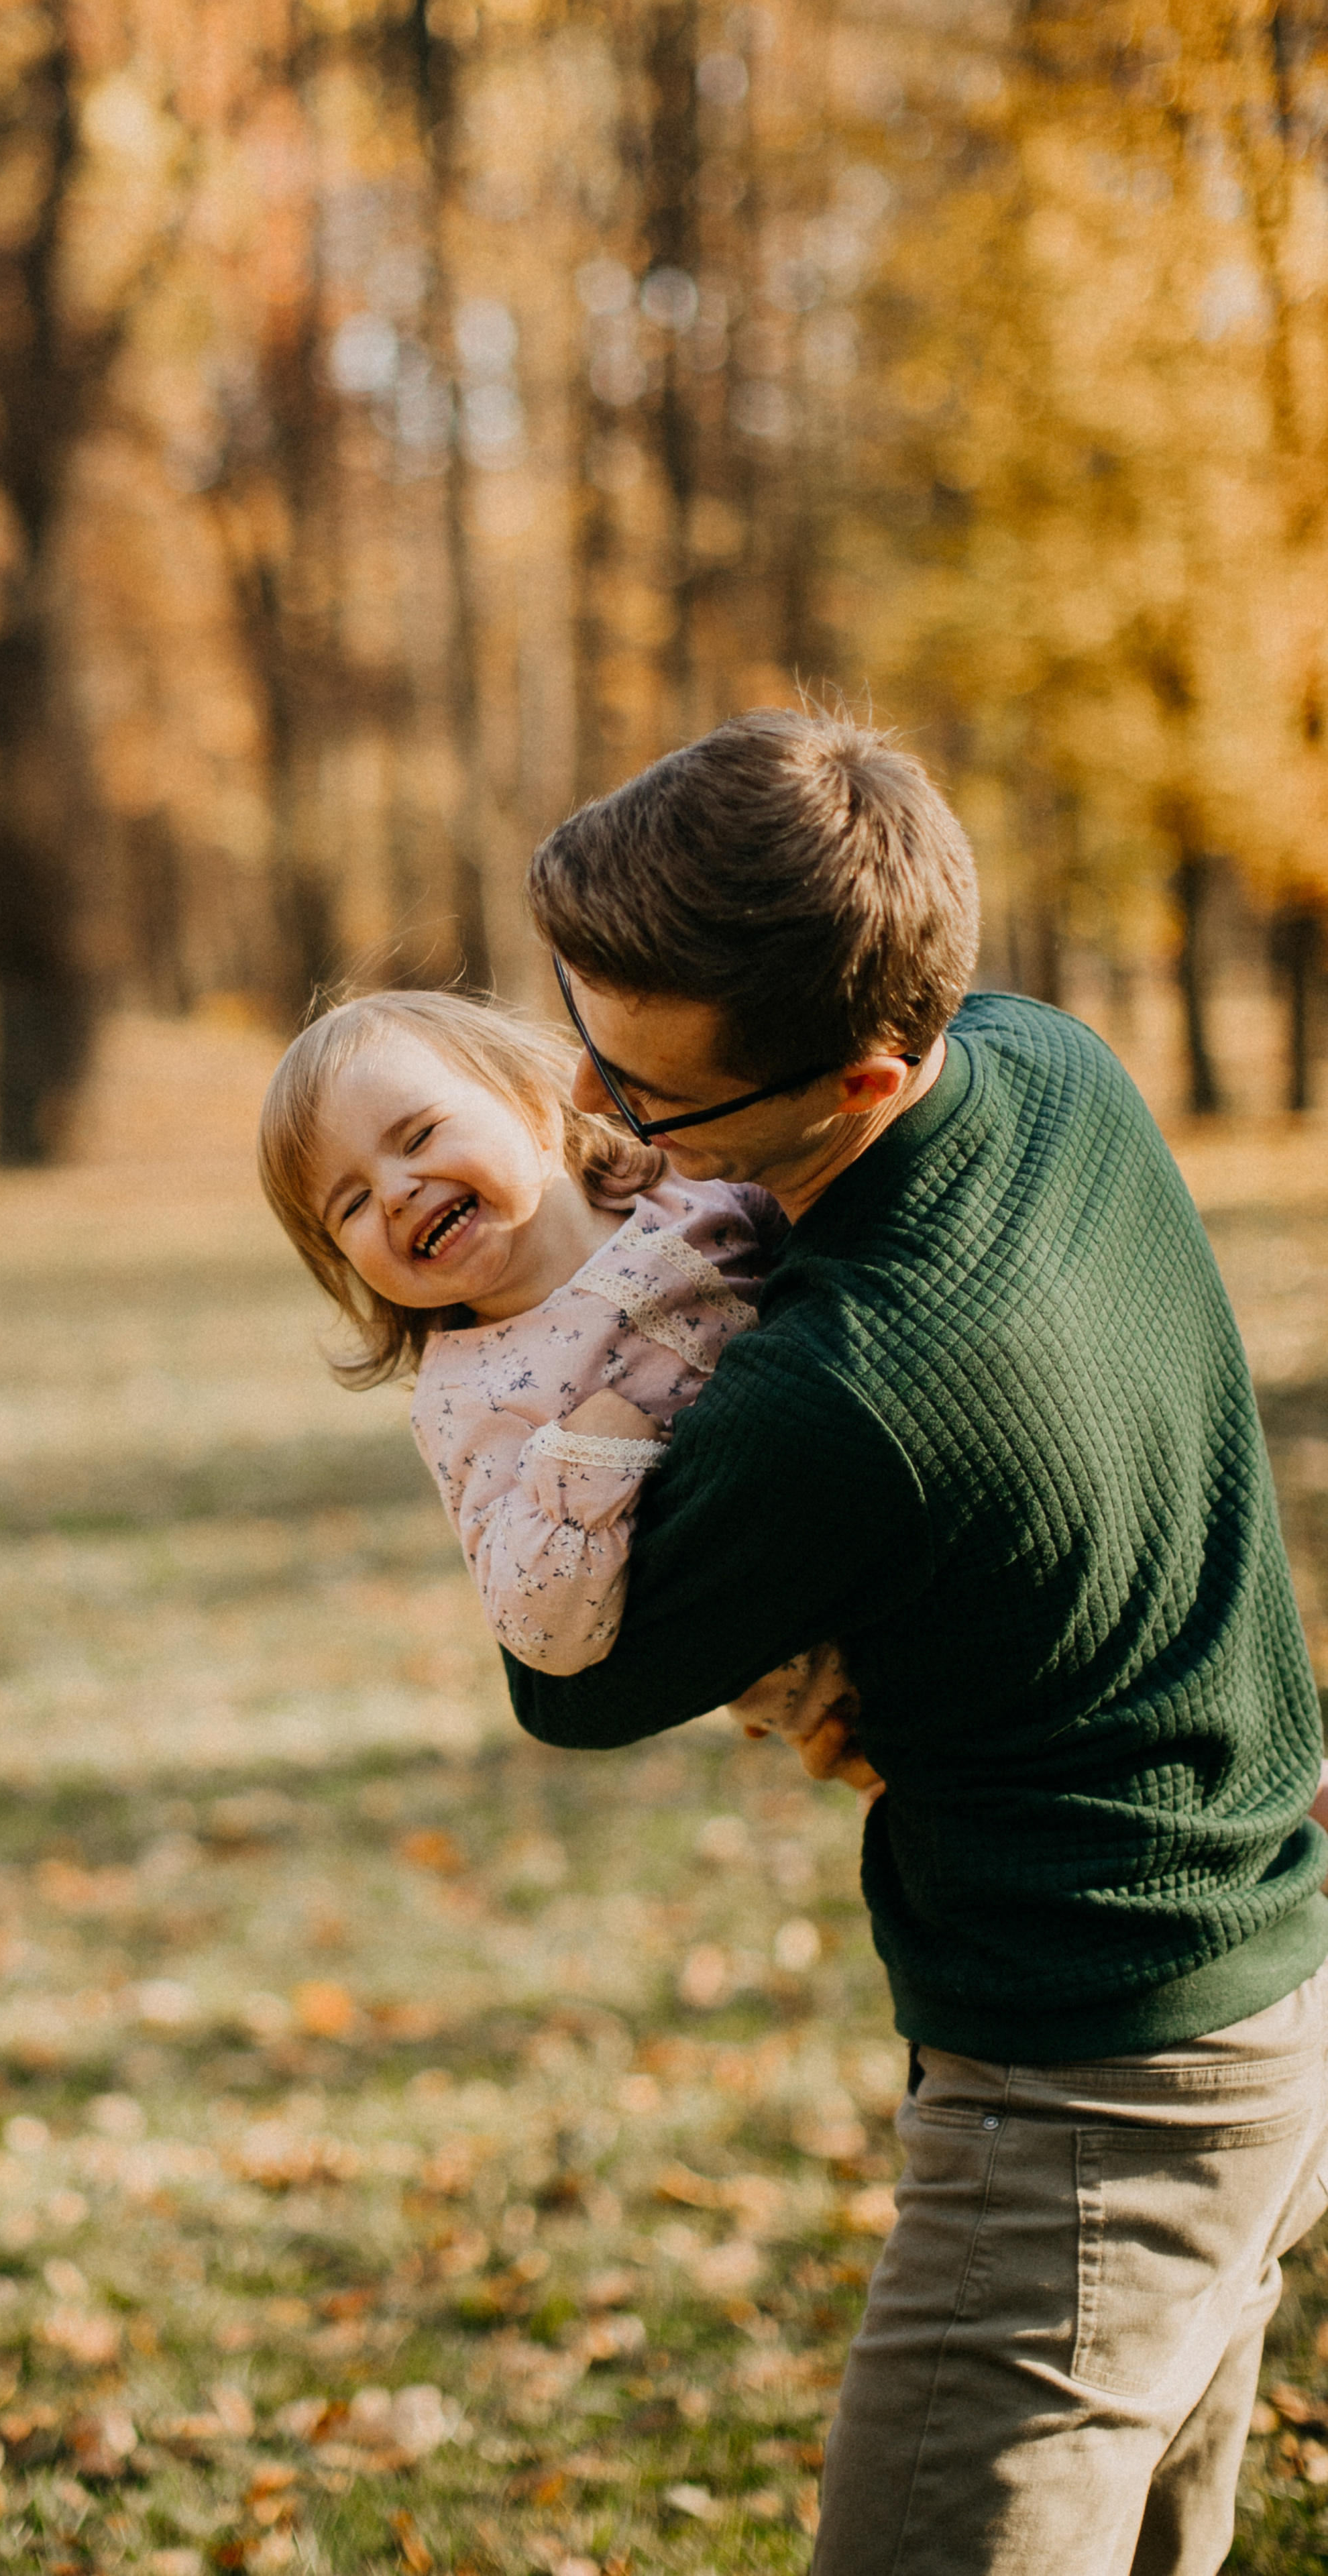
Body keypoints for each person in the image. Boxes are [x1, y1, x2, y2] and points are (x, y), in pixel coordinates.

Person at [508, 704, 1328, 2576]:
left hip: (1091, 2097)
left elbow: (568, 1676)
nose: (594, 1114)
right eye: (579, 1037)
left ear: (868, 1077)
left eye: (648, 1096)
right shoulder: (1053, 1065)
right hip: (1266, 1978)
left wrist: (521, 1367)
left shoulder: (853, 1396)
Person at [256, 987, 849, 1723]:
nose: (396, 1191)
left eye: (417, 1138)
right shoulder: (467, 1398)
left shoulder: (681, 1185)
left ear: (533, 1110)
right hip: (825, 1678)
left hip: (882, 1509)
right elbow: (542, 1632)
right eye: (349, 1204)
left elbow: (830, 1218)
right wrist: (588, 1457)